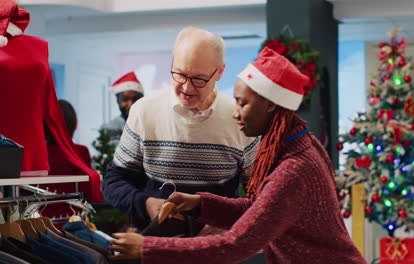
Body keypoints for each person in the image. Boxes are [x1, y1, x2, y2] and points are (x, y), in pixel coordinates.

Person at [110, 47, 367, 264]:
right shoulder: (299, 141)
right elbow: (261, 210)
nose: (235, 113)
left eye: (243, 103)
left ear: (270, 104)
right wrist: (200, 203)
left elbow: (235, 244)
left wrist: (148, 248)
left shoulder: (293, 170)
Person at [102, 27, 259, 231]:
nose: (187, 88)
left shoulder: (239, 119)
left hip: (216, 250)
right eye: (180, 74)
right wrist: (145, 204)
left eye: (199, 79)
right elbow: (114, 181)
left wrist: (231, 224)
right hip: (154, 246)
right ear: (172, 63)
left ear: (220, 72)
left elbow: (260, 196)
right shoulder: (144, 111)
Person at [39, 99, 93, 220]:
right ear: (74, 123)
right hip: (73, 219)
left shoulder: (38, 154)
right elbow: (88, 191)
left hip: (40, 222)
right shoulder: (80, 152)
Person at [101, 71, 144, 145]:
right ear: (117, 100)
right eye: (125, 99)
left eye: (135, 99)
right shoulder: (110, 128)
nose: (131, 104)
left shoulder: (151, 124)